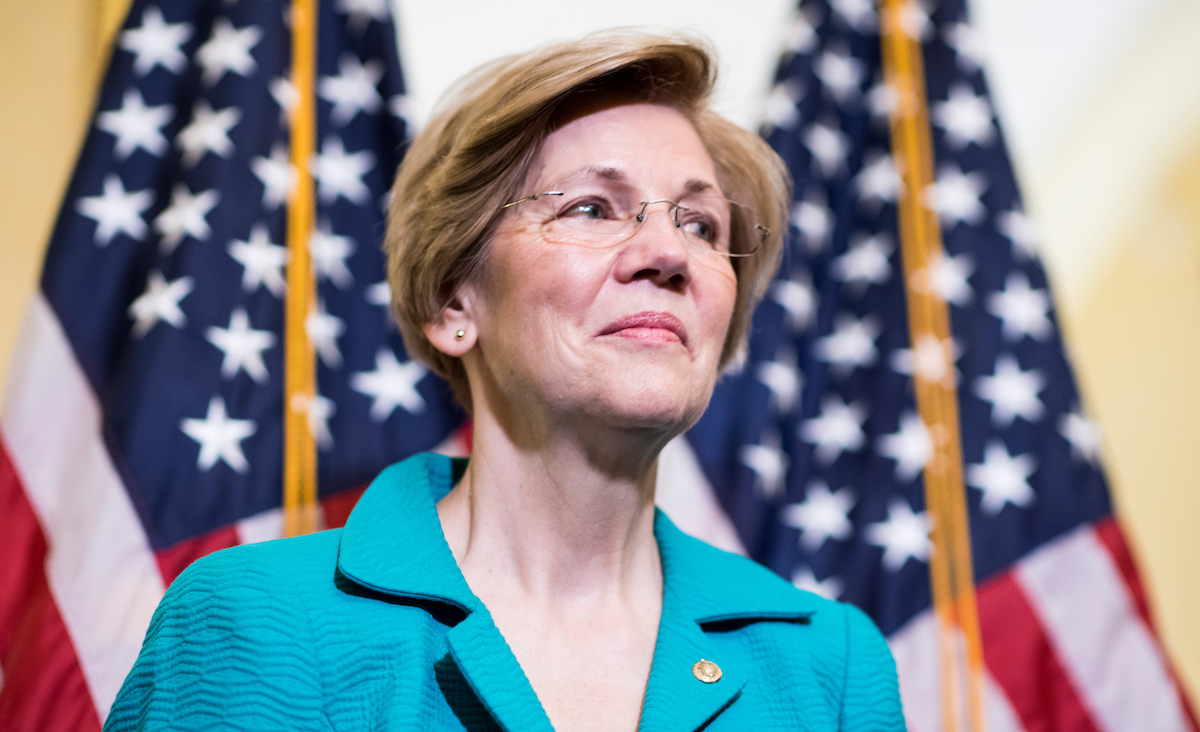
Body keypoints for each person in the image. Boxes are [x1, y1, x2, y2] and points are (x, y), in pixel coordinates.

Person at [106, 31, 906, 731]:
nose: (669, 253)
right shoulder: (256, 625)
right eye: (593, 207)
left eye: (701, 225)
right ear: (454, 302)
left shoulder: (830, 667)